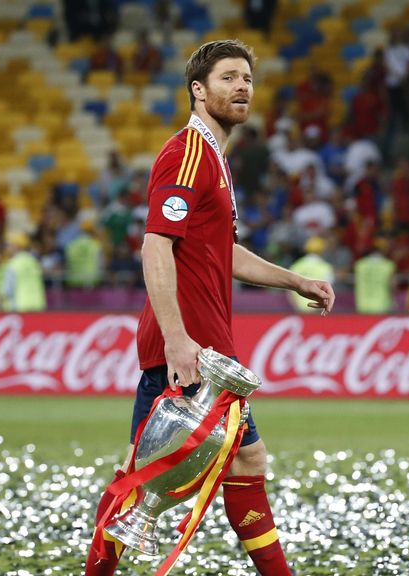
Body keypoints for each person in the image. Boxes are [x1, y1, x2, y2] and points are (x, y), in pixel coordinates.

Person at [84, 40, 335, 576]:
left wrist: (294, 280)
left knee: (239, 461)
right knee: (138, 479)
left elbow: (220, 250)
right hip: (190, 350)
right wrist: (177, 339)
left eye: (247, 78)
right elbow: (156, 244)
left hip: (208, 349)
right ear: (198, 91)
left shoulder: (213, 159)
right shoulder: (188, 153)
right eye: (227, 78)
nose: (242, 86)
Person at [0, 232, 46, 312]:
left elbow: (7, 290)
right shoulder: (33, 261)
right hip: (38, 305)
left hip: (19, 306)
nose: (6, 248)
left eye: (8, 245)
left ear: (16, 246)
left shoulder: (13, 264)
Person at [288, 235, 335, 313]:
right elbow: (329, 291)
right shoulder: (325, 267)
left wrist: (296, 306)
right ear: (322, 250)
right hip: (317, 308)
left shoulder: (297, 265)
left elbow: (289, 290)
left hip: (299, 308)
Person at [353, 236, 397, 314]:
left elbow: (356, 283)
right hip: (382, 305)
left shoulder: (360, 264)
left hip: (362, 304)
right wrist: (393, 300)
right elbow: (392, 285)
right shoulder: (388, 265)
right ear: (384, 250)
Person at [65, 219, 104, 288]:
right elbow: (101, 264)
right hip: (91, 281)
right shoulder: (95, 245)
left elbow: (67, 264)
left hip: (73, 282)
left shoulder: (71, 245)